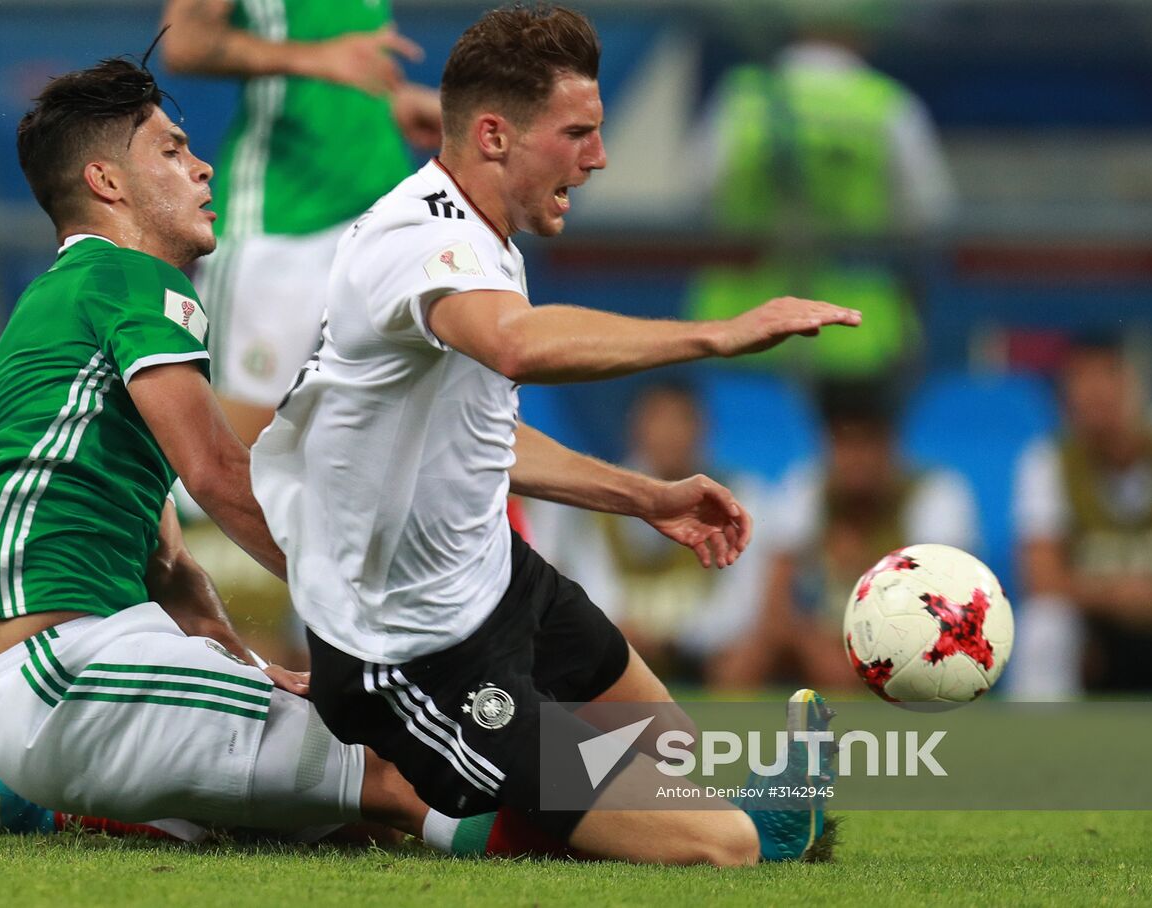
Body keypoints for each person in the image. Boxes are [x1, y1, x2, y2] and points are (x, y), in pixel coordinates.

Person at [252, 5, 861, 865]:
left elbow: (483, 440)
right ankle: (418, 800)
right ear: (495, 135)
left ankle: (561, 806)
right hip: (414, 653)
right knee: (721, 845)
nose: (599, 157)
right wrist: (714, 333)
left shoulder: (484, 241)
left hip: (500, 586)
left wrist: (644, 495)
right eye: (579, 133)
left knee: (681, 766)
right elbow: (516, 345)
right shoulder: (416, 239)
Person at [0, 52, 527, 854]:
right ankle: (715, 806)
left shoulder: (48, 323)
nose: (203, 164)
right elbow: (217, 472)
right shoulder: (132, 283)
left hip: (70, 682)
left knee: (348, 822)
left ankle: (65, 803)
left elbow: (172, 569)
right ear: (109, 184)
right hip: (72, 676)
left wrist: (251, 668)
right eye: (173, 150)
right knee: (412, 768)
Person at [160, 0, 440, 447]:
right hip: (281, 220)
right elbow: (184, 42)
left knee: (419, 431)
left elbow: (354, 57)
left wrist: (395, 102)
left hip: (382, 209)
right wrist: (316, 58)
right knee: (232, 452)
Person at [686, 4, 953, 380]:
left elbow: (696, 194)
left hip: (742, 328)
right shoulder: (888, 106)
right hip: (854, 336)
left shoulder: (740, 100)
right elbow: (930, 216)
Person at [711, 380, 978, 691]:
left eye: (867, 443)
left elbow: (942, 617)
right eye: (844, 444)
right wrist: (811, 644)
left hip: (912, 648)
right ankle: (732, 734)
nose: (856, 459)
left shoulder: (935, 497)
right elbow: (774, 604)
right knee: (740, 664)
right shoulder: (806, 487)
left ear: (891, 445)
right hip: (817, 638)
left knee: (846, 673)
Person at [529, 382, 769, 684]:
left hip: (702, 652)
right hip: (618, 640)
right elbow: (590, 584)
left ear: (703, 428)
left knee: (746, 656)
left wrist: (676, 636)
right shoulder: (601, 495)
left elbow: (741, 602)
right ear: (635, 427)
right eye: (658, 420)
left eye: (680, 420)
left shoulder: (736, 497)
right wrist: (626, 629)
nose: (669, 434)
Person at [1014, 337, 1152, 695]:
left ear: (1135, 385)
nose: (1095, 394)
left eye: (1108, 377)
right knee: (1043, 624)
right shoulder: (1049, 462)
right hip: (1101, 637)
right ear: (1065, 398)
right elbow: (1041, 579)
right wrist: (1114, 595)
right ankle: (1039, 746)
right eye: (1080, 381)